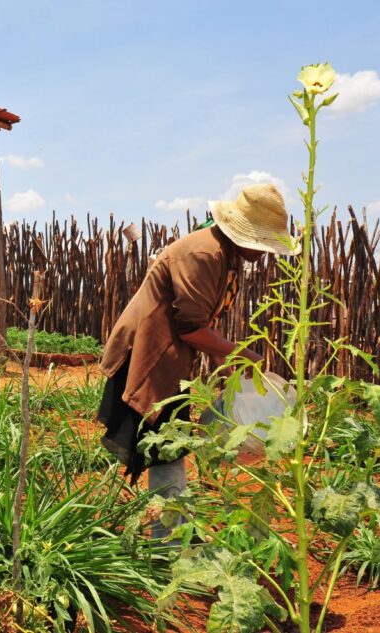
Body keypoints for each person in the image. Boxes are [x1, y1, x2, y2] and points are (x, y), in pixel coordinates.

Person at [97, 183, 296, 537]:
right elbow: (190, 328)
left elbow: (196, 324)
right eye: (260, 243)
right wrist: (244, 353)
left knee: (165, 446)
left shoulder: (225, 255)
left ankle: (168, 535)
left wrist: (228, 358)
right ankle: (170, 547)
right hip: (147, 355)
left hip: (166, 358)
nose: (263, 253)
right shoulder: (204, 254)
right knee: (166, 448)